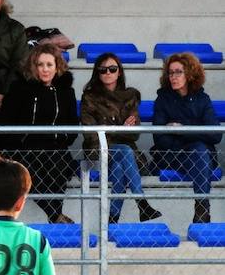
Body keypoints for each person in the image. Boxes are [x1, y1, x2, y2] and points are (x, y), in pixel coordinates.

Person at [0, 44, 78, 224]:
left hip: (56, 148)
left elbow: (72, 124)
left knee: (60, 166)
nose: (45, 69)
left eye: (49, 65)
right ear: (33, 66)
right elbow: (6, 120)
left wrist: (63, 139)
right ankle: (56, 215)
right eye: (40, 64)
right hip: (24, 148)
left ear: (57, 67)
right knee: (29, 172)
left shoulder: (66, 92)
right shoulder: (19, 89)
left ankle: (55, 215)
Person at [81, 53, 161, 224]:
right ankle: (142, 203)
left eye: (112, 69)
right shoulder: (89, 97)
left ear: (119, 72)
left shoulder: (130, 96)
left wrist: (110, 130)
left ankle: (112, 220)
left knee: (119, 167)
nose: (108, 73)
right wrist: (120, 129)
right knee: (124, 151)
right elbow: (90, 134)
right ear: (97, 73)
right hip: (98, 150)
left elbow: (134, 133)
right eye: (103, 70)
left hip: (127, 155)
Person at [153, 53, 221, 224]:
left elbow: (215, 134)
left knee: (199, 150)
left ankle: (201, 209)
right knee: (200, 148)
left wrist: (181, 130)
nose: (173, 77)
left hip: (199, 157)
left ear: (190, 74)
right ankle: (202, 211)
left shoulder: (202, 99)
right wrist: (196, 132)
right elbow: (160, 140)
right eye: (170, 73)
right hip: (174, 156)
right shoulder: (163, 100)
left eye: (178, 72)